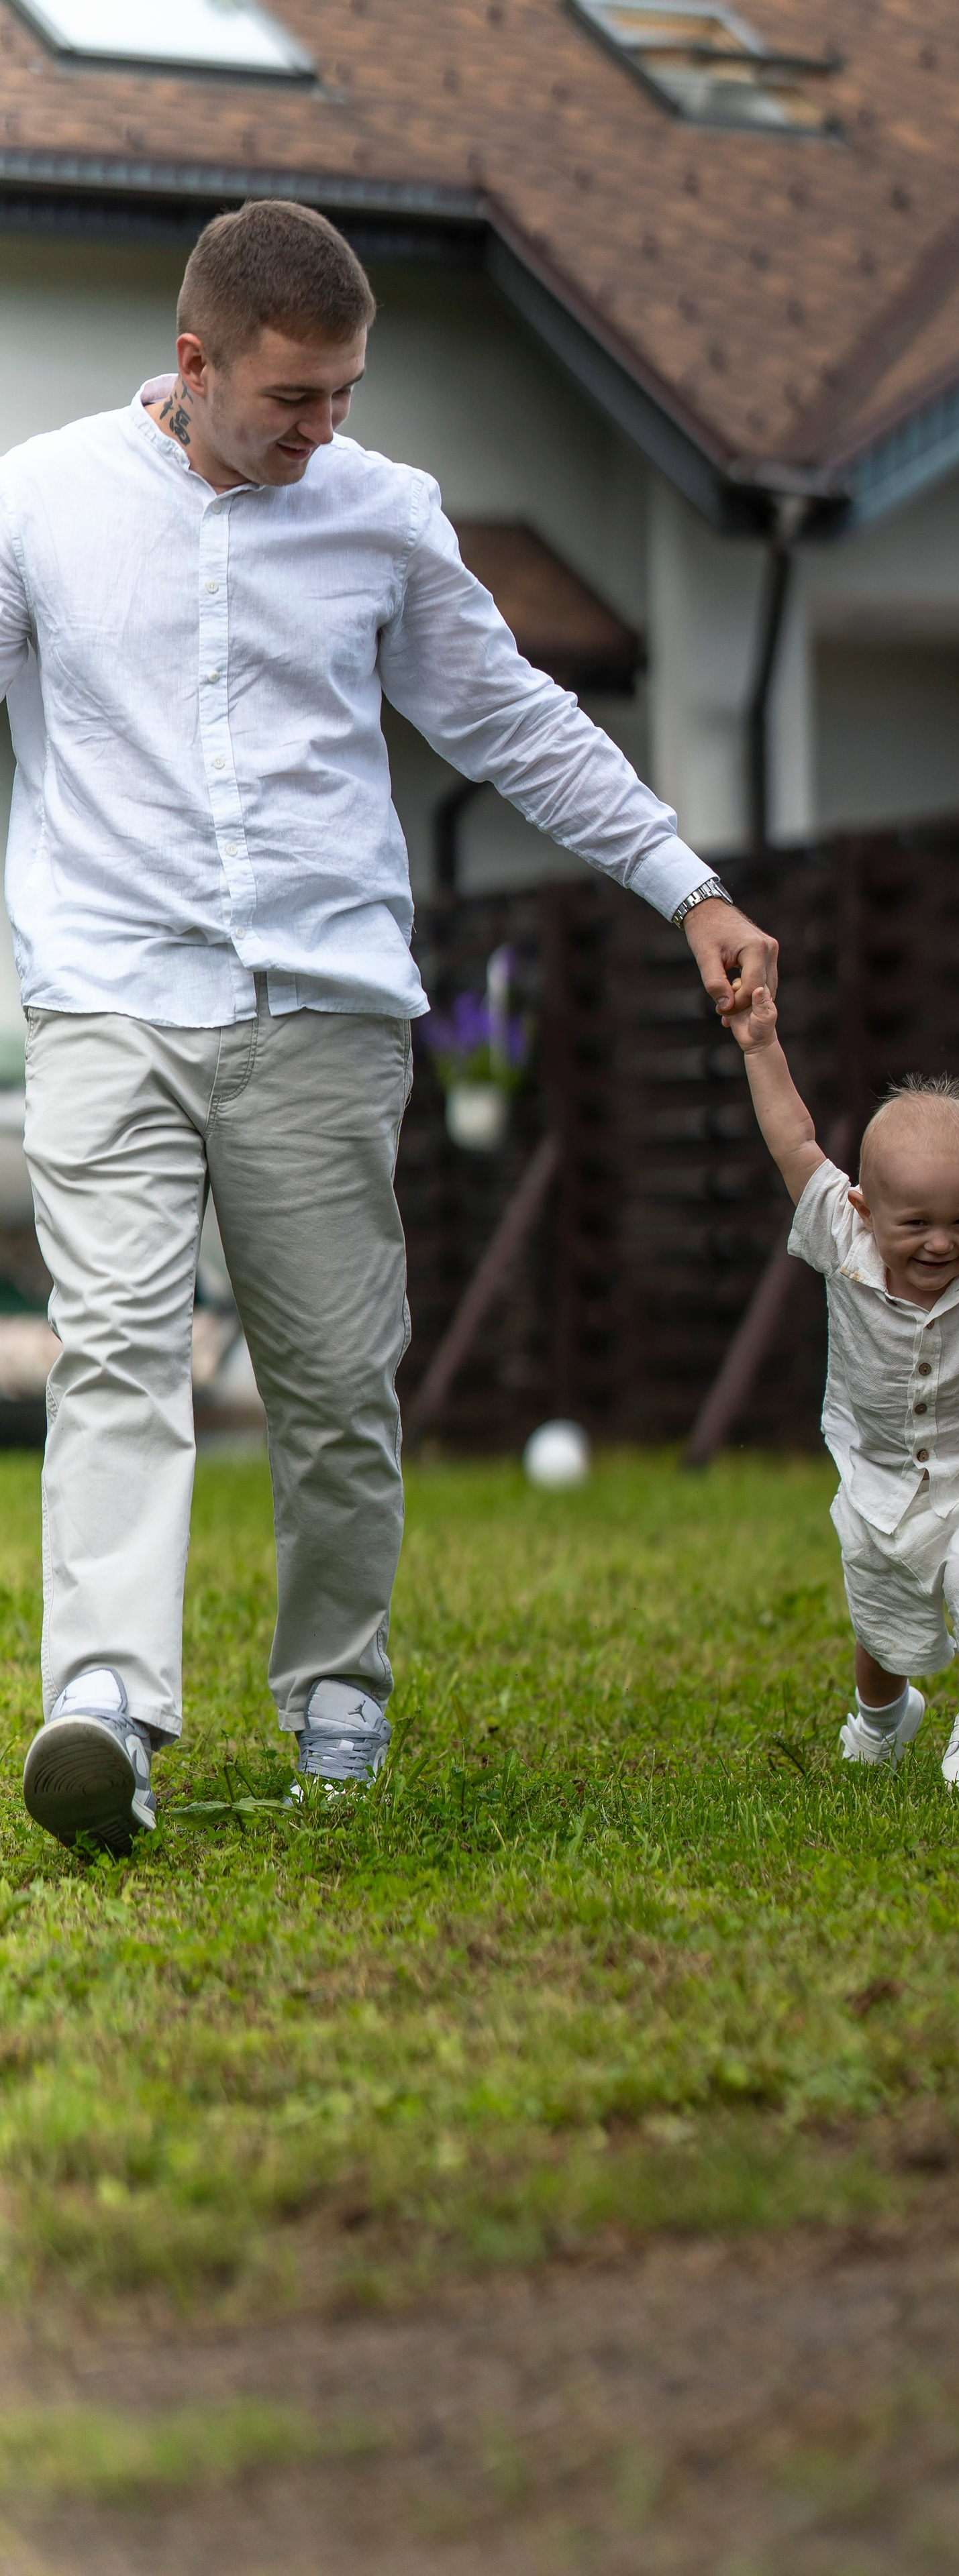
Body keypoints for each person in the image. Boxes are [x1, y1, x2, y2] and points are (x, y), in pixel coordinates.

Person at [7, 199, 777, 1856]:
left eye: (347, 392)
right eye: (294, 397)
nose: (326, 426)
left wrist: (683, 884)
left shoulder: (382, 516)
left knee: (334, 1380)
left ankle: (335, 1692)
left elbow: (510, 717)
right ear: (195, 363)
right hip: (107, 995)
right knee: (124, 1352)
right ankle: (109, 1713)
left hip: (323, 1006)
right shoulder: (42, 498)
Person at [728, 983, 959, 1785]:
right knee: (881, 1626)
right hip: (878, 1477)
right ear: (866, 1211)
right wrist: (762, 1046)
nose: (943, 1244)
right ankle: (883, 1718)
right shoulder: (839, 1229)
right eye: (916, 1224)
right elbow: (792, 1141)